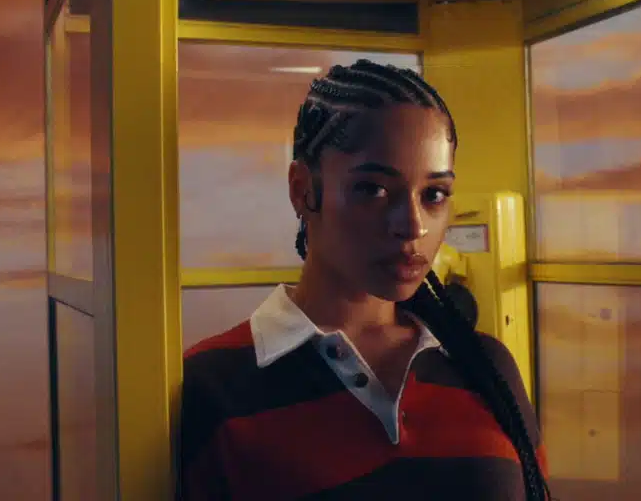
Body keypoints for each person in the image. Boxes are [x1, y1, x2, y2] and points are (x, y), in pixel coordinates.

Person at [179, 59, 549, 500]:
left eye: (434, 194)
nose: (412, 226)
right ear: (302, 189)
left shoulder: (484, 366)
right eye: (373, 189)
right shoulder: (212, 385)